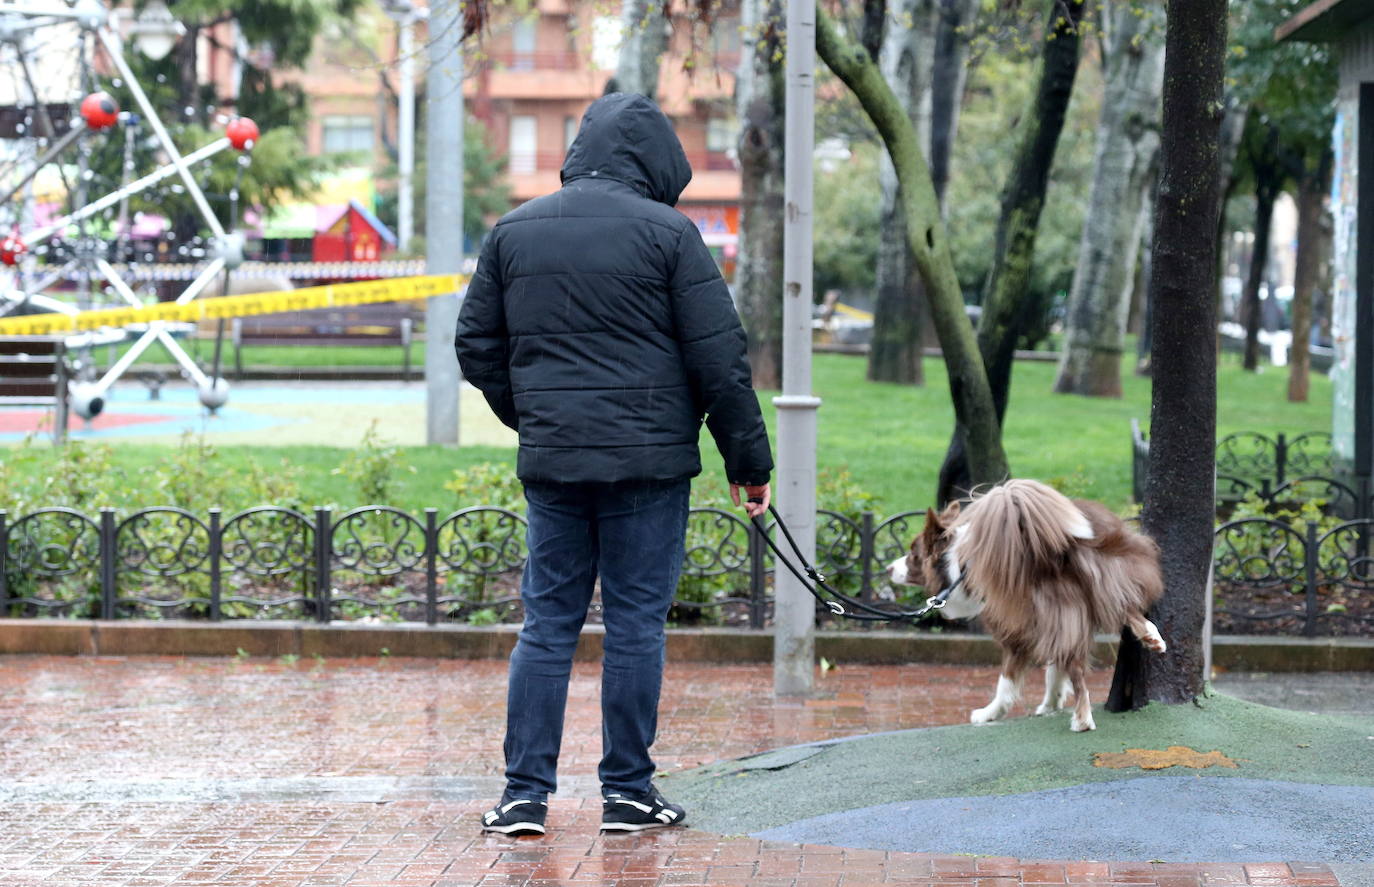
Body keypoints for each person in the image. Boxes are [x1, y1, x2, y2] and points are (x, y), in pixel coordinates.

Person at [455, 92, 774, 836]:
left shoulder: (514, 232)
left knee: (547, 625)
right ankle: (628, 792)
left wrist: (537, 416)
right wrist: (748, 462)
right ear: (659, 160)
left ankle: (522, 796)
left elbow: (476, 346)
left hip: (555, 467)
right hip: (649, 469)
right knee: (635, 624)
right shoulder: (671, 235)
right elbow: (720, 360)